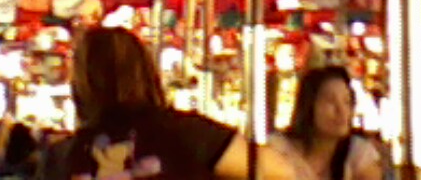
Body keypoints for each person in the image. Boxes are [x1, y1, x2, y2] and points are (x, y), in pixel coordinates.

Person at [49, 26, 296, 180]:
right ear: (146, 71)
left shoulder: (62, 157)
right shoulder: (188, 133)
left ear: (81, 84)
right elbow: (279, 171)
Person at [269, 67, 383, 180]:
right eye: (330, 101)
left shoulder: (358, 152)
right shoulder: (279, 150)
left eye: (347, 102)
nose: (341, 110)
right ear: (309, 106)